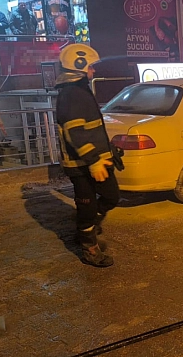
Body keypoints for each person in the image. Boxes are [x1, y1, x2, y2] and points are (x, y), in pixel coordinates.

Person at [55, 43, 119, 268]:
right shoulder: (73, 94)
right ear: (79, 68)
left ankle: (88, 227)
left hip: (95, 161)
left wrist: (106, 152)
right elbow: (76, 132)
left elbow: (89, 128)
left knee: (111, 196)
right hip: (81, 164)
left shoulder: (79, 92)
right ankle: (89, 247)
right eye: (91, 67)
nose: (94, 71)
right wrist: (93, 161)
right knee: (87, 205)